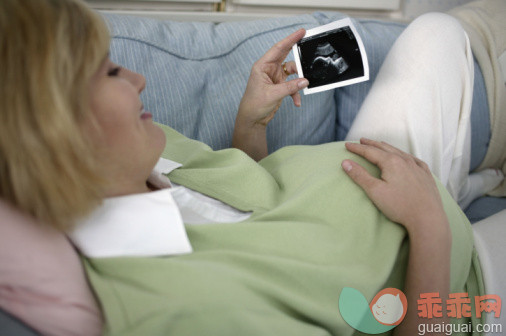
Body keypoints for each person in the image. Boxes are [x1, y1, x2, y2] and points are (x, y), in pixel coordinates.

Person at [0, 0, 500, 335]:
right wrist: (429, 224)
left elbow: (254, 211)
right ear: (56, 124)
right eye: (109, 71)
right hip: (450, 275)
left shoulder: (147, 149)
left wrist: (251, 124)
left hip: (390, 178)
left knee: (437, 32)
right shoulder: (181, 307)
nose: (137, 77)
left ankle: (473, 177)